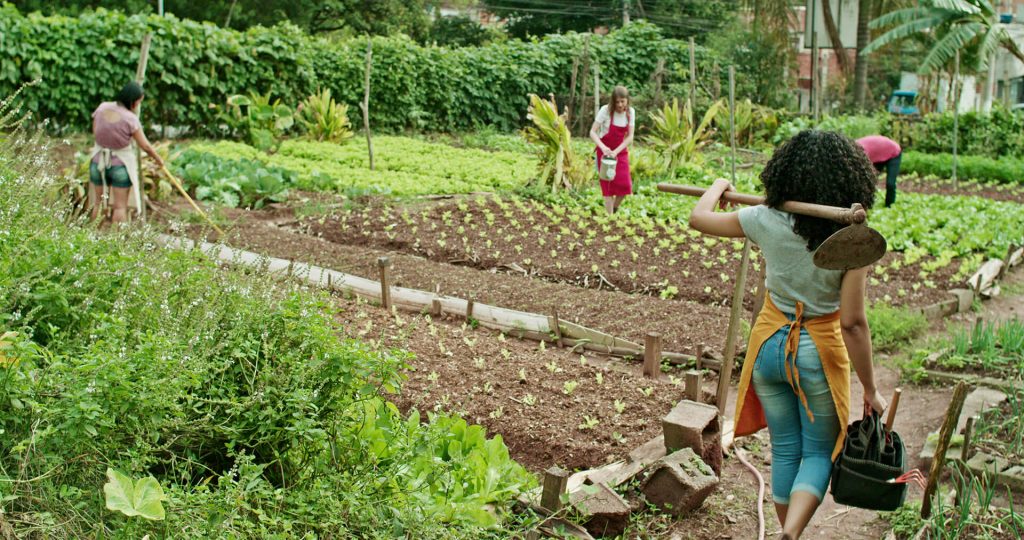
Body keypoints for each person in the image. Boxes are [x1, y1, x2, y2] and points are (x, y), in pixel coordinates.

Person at [689, 130, 888, 540]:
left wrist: (718, 187)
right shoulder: (852, 240)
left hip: (768, 347)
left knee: (784, 449)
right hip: (817, 351)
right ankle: (791, 533)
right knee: (818, 451)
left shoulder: (764, 219)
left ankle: (787, 532)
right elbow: (852, 323)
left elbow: (699, 218)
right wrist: (870, 388)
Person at [89, 81, 164, 223]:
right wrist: (158, 159)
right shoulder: (130, 119)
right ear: (134, 102)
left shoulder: (102, 107)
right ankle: (117, 242)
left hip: (98, 162)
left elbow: (96, 131)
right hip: (120, 165)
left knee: (98, 204)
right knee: (119, 207)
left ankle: (91, 239)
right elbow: (145, 146)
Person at [590, 85, 635, 214]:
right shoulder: (605, 111)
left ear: (627, 100)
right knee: (607, 186)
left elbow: (630, 136)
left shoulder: (630, 113)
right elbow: (592, 132)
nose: (620, 105)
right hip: (605, 152)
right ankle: (609, 218)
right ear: (613, 101)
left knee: (625, 185)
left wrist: (616, 151)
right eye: (617, 102)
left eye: (623, 101)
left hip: (620, 151)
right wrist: (604, 148)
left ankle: (614, 209)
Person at [856, 135, 901, 207]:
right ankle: (867, 203)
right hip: (878, 155)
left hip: (893, 153)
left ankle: (889, 205)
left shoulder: (859, 151)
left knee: (890, 183)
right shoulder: (855, 149)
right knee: (870, 181)